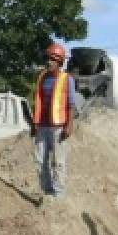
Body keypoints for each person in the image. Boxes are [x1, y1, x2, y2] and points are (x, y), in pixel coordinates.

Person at [33, 42, 76, 198]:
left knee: (58, 161)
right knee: (39, 160)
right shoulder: (42, 77)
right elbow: (37, 100)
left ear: (60, 63)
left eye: (53, 59)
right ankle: (47, 191)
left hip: (58, 127)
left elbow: (71, 104)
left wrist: (69, 125)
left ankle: (59, 194)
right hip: (42, 125)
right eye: (48, 58)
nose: (49, 62)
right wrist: (35, 123)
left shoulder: (67, 79)